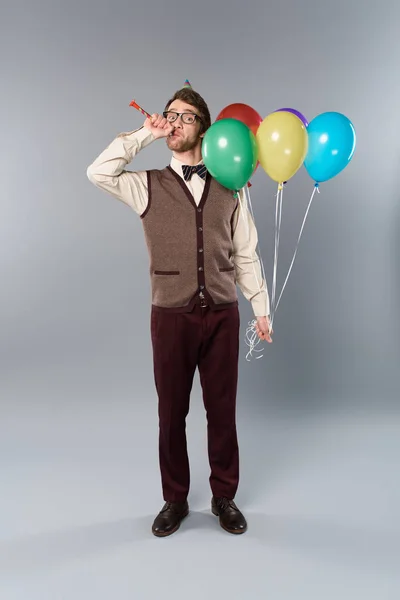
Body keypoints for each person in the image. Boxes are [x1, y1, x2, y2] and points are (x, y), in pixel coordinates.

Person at [87, 83, 272, 537]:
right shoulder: (146, 185)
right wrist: (143, 135)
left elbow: (245, 250)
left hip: (224, 312)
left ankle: (224, 495)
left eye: (186, 116)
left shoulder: (232, 184)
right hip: (170, 315)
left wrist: (260, 307)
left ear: (204, 129)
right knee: (171, 412)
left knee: (222, 410)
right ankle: (175, 499)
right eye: (170, 114)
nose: (174, 121)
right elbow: (99, 172)